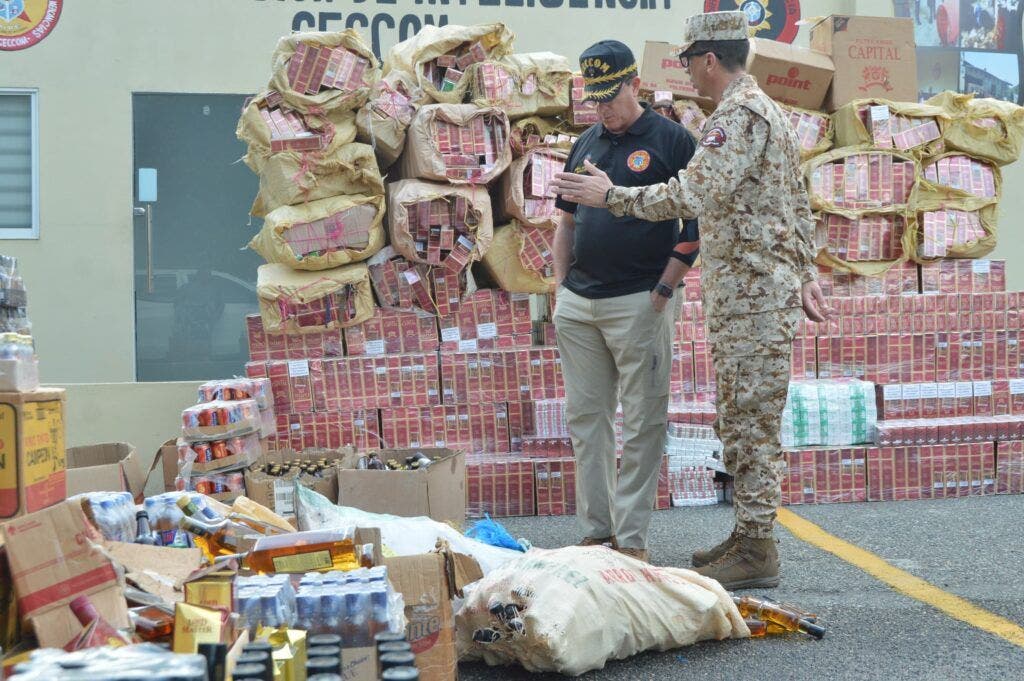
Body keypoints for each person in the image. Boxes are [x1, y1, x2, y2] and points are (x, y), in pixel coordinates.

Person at [551, 11, 832, 589]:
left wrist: (612, 197)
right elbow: (796, 196)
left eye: (687, 60)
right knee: (738, 417)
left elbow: (690, 194)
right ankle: (748, 536)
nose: (685, 71)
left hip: (752, 297)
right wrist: (803, 268)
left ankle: (757, 550)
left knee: (750, 423)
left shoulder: (738, 116)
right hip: (751, 292)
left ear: (708, 60)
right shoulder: (758, 111)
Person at [552, 40, 700, 563]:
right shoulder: (586, 141)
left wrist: (664, 290)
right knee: (587, 421)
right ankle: (596, 533)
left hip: (641, 300)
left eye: (610, 97)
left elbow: (696, 224)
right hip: (580, 304)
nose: (602, 110)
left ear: (635, 85)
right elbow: (566, 219)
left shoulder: (673, 140)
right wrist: (560, 288)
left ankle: (631, 541)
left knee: (643, 421)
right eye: (594, 100)